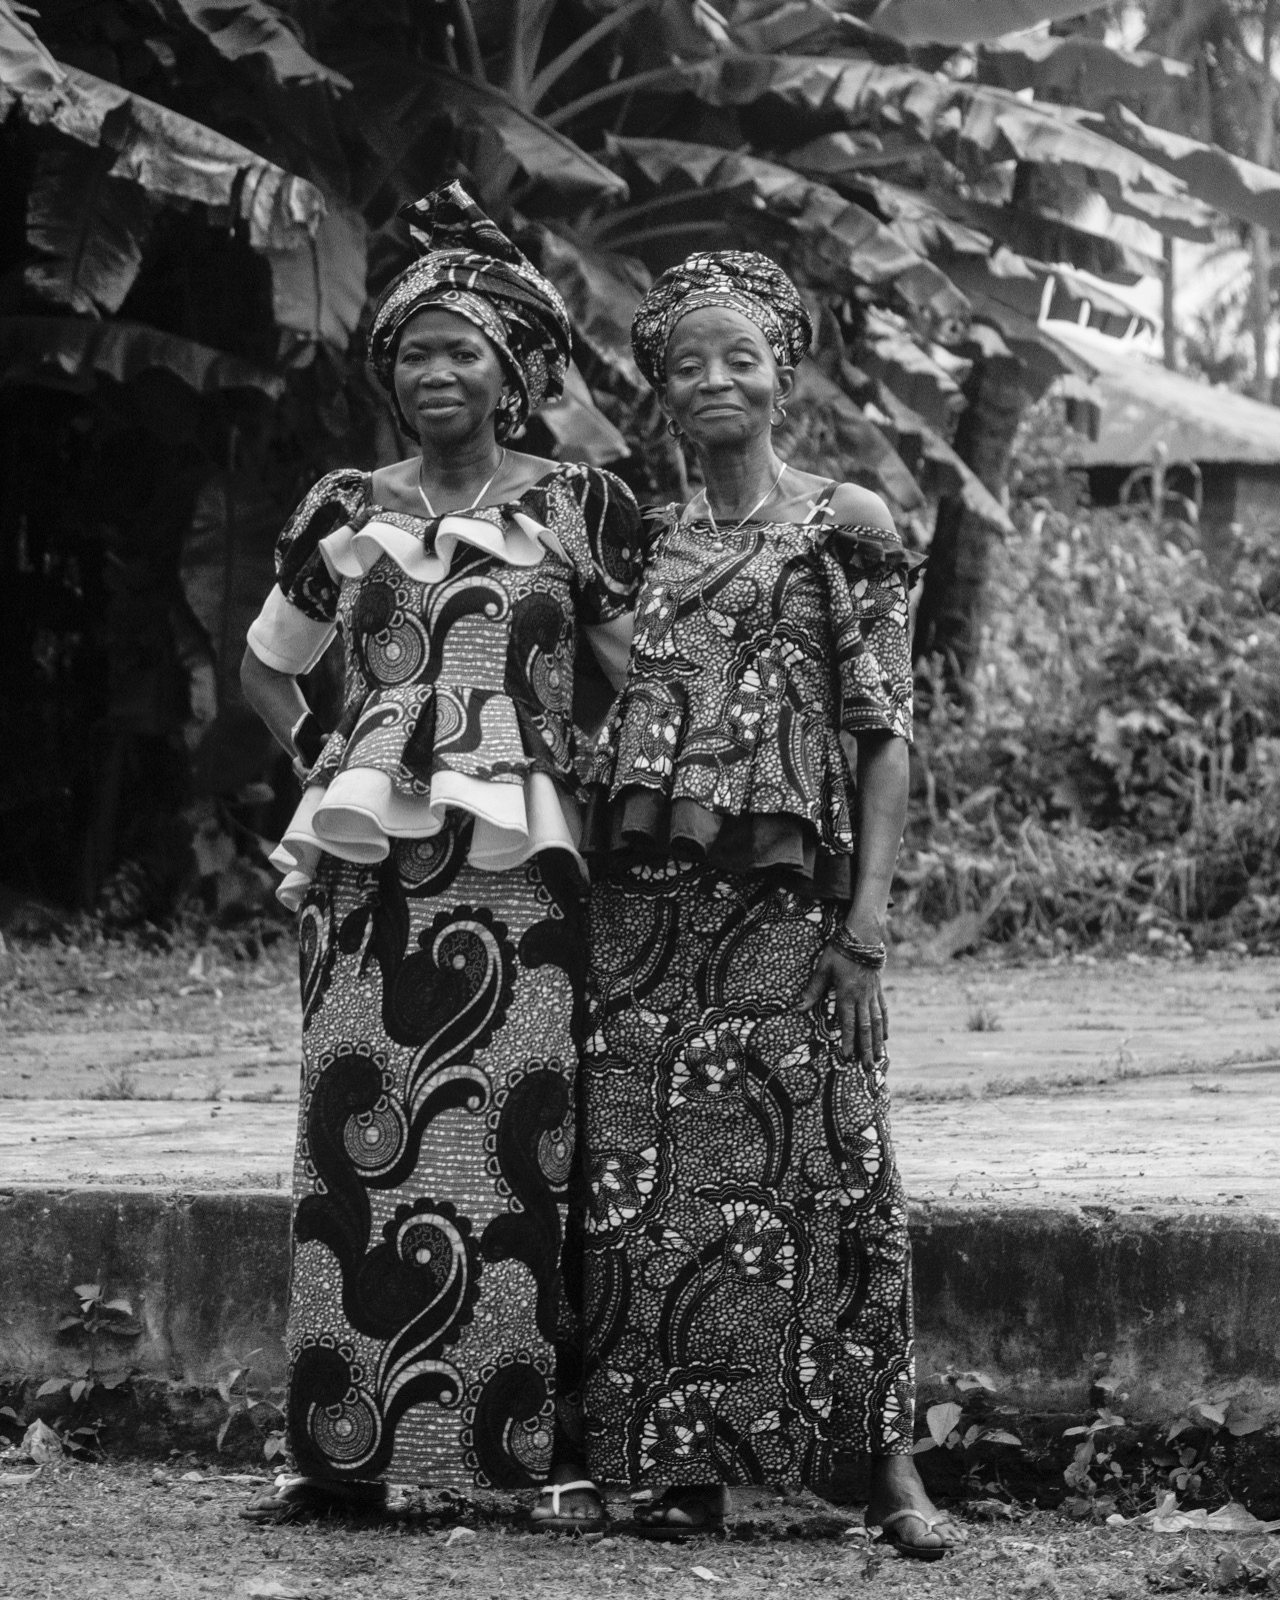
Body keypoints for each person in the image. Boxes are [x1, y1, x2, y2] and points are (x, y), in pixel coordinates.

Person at [239, 183, 642, 1530]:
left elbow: (633, 679)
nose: (433, 373)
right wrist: (329, 770)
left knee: (515, 1147)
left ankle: (521, 1458)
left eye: (461, 349)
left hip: (521, 881)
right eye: (412, 351)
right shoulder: (346, 504)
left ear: (517, 373)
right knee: (352, 1149)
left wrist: (589, 775)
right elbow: (267, 664)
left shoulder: (579, 507)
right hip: (367, 885)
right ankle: (340, 1453)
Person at [578, 252, 957, 1559]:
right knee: (657, 1187)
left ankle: (888, 1468)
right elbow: (617, 698)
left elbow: (886, 731)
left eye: (740, 356)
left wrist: (870, 919)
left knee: (841, 1166)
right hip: (646, 920)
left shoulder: (843, 522)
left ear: (783, 371)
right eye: (687, 365)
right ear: (661, 392)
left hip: (794, 910)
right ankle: (676, 1467)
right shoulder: (636, 541)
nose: (715, 381)